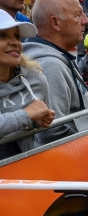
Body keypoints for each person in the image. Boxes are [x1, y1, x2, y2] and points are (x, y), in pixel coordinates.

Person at [22, 0, 88, 144]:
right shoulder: (49, 65)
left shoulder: (55, 55)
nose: (86, 20)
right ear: (55, 23)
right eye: (77, 15)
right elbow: (53, 131)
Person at [0, 11, 53, 158]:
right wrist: (26, 115)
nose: (15, 42)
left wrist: (37, 122)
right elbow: (25, 115)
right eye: (3, 35)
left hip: (24, 172)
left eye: (17, 36)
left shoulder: (35, 78)